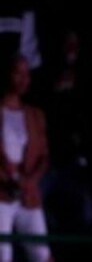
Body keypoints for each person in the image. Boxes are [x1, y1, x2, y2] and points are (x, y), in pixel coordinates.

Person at [0, 52, 53, 262]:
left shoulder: (34, 114)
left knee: (41, 253)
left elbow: (43, 155)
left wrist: (31, 181)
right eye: (18, 73)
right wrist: (11, 177)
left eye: (27, 74)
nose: (24, 79)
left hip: (28, 193)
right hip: (2, 192)